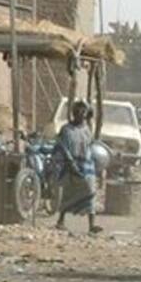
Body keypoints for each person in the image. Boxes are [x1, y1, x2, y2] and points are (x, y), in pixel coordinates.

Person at [54, 100, 102, 234]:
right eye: (77, 112)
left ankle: (92, 225)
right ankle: (60, 220)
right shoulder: (66, 130)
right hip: (71, 164)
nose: (80, 115)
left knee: (91, 191)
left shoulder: (87, 129)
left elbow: (91, 146)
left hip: (87, 165)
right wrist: (70, 163)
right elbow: (62, 147)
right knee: (69, 194)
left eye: (83, 112)